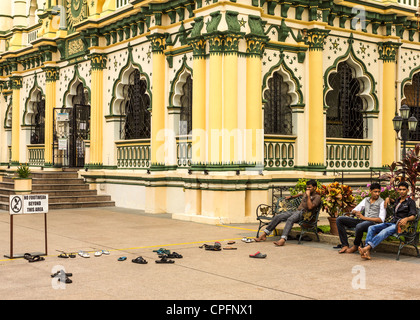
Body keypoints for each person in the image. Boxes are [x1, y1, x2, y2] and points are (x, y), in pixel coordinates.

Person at [358, 181, 417, 260]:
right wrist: (387, 198)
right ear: (398, 190)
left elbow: (413, 216)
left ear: (407, 190)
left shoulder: (410, 202)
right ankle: (367, 253)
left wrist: (406, 218)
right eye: (400, 189)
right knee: (371, 228)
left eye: (404, 189)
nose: (402, 191)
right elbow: (391, 201)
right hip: (391, 223)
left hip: (400, 226)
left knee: (384, 231)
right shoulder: (397, 200)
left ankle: (366, 248)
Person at [255, 179, 321, 246]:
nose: (307, 189)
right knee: (278, 216)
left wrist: (308, 196)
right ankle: (264, 234)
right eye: (307, 187)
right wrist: (291, 196)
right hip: (297, 212)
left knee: (290, 219)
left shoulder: (317, 197)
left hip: (305, 214)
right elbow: (300, 194)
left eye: (309, 187)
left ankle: (283, 239)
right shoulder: (305, 193)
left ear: (315, 187)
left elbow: (310, 207)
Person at [336, 183, 386, 254]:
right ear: (370, 191)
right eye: (375, 191)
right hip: (362, 221)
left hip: (372, 224)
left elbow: (381, 220)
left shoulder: (382, 202)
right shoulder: (366, 200)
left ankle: (356, 246)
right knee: (340, 219)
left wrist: (364, 217)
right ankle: (345, 245)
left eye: (379, 192)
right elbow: (355, 210)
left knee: (359, 226)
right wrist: (356, 212)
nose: (377, 194)